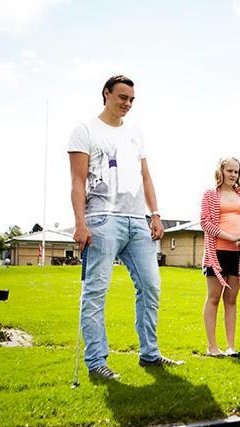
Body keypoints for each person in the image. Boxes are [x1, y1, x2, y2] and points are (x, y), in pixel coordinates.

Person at [68, 74, 183, 380]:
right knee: (96, 291)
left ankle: (150, 354)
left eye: (131, 99)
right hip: (102, 219)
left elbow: (146, 176)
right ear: (106, 94)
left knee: (151, 286)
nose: (127, 104)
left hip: (137, 221)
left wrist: (155, 214)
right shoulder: (84, 131)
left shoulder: (135, 133)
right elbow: (77, 181)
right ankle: (96, 361)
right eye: (122, 97)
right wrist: (80, 222)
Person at [200, 157, 240, 357]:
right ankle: (212, 347)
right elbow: (205, 223)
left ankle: (231, 347)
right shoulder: (210, 195)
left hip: (238, 254)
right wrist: (231, 237)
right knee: (214, 298)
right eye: (230, 171)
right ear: (221, 171)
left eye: (236, 172)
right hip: (217, 252)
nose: (233, 175)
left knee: (231, 300)